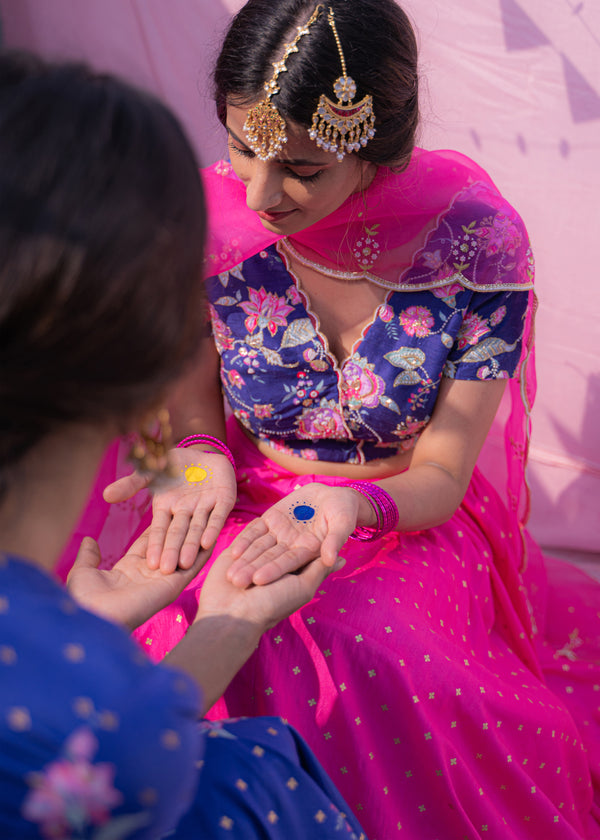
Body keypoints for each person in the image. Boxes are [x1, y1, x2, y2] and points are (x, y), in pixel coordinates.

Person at [69, 1, 600, 838]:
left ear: (375, 147)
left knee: (362, 644)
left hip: (402, 517)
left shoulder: (475, 244)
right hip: (240, 495)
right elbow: (189, 407)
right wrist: (200, 455)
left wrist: (349, 506)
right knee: (186, 607)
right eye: (242, 149)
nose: (261, 193)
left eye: (302, 170)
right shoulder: (211, 218)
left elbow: (444, 472)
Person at [0, 49, 370, 839]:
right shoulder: (115, 727)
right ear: (161, 363)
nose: (260, 194)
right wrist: (226, 626)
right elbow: (120, 758)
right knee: (250, 776)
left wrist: (76, 621)